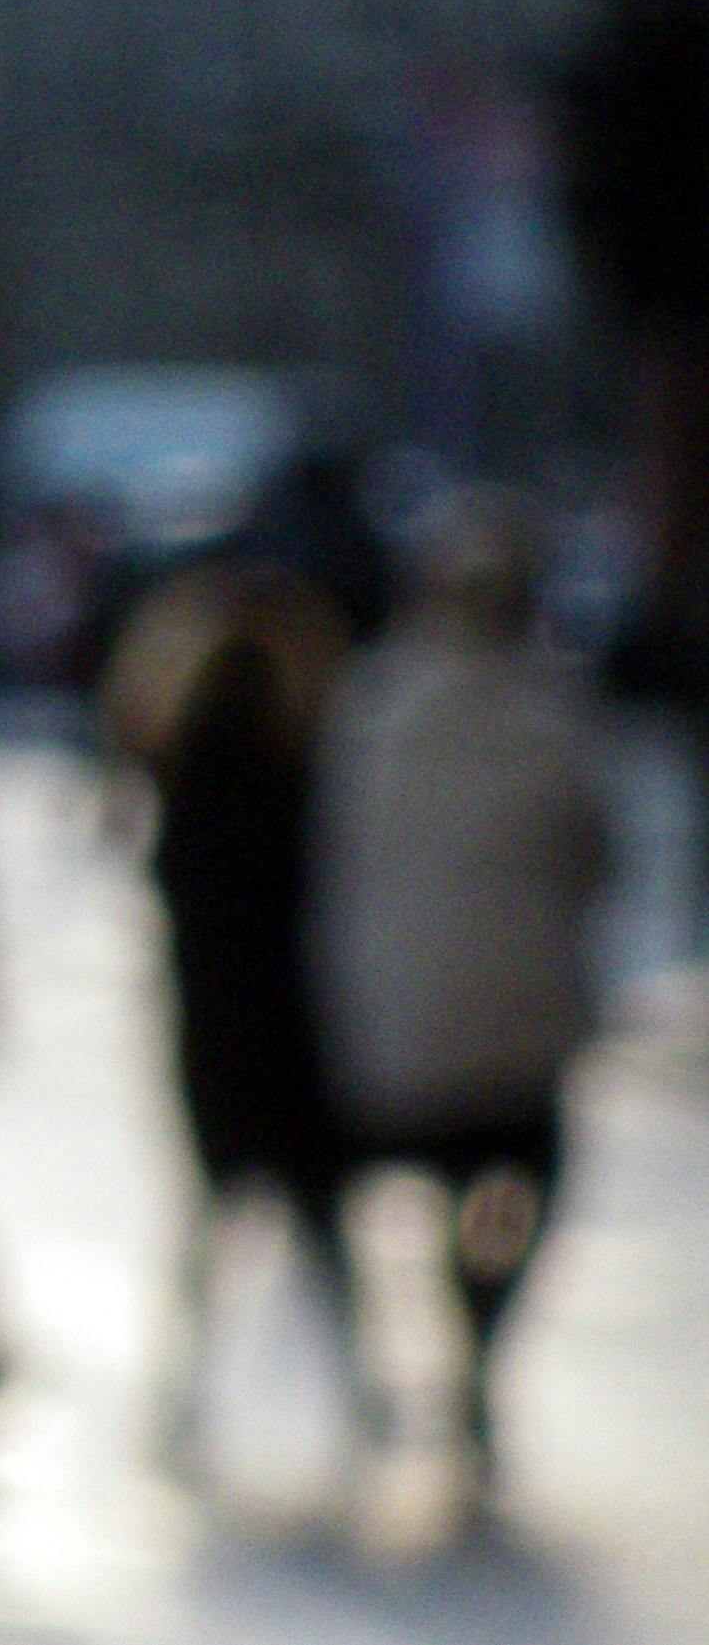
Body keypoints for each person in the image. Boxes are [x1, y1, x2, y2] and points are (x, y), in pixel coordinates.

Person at [314, 492, 608, 1506]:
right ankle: (478, 1323)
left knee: (434, 1178)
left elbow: (339, 855)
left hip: (402, 1030)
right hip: (525, 1031)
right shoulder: (549, 712)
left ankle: (454, 1316)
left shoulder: (374, 704)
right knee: (536, 1166)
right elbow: (593, 853)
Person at [101, 556, 356, 1462]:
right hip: (297, 1030)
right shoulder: (304, 785)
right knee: (321, 1224)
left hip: (210, 1034)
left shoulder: (181, 788)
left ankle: (185, 1392)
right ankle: (359, 1391)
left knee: (213, 1218)